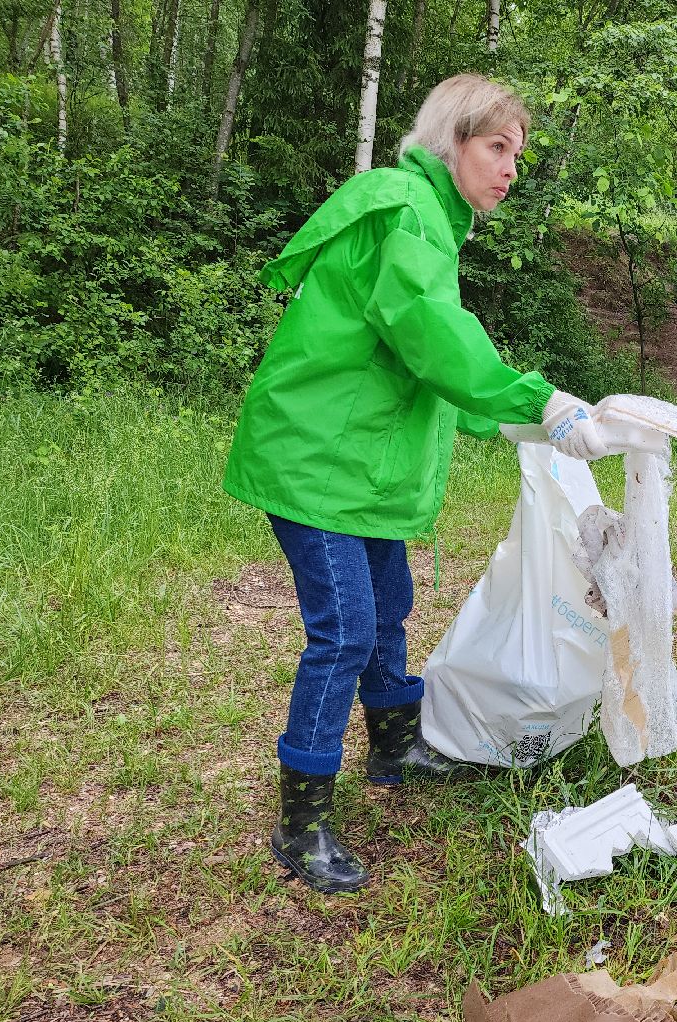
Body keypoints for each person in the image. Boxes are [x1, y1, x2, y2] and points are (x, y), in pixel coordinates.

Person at [222, 74, 607, 894]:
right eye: (496, 147)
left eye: (518, 154)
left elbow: (410, 362)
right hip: (314, 462)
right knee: (347, 630)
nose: (510, 168)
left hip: (356, 465)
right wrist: (535, 398)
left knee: (389, 601)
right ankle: (303, 819)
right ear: (452, 141)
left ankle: (395, 745)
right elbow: (433, 338)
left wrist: (506, 421)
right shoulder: (408, 210)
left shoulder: (428, 218)